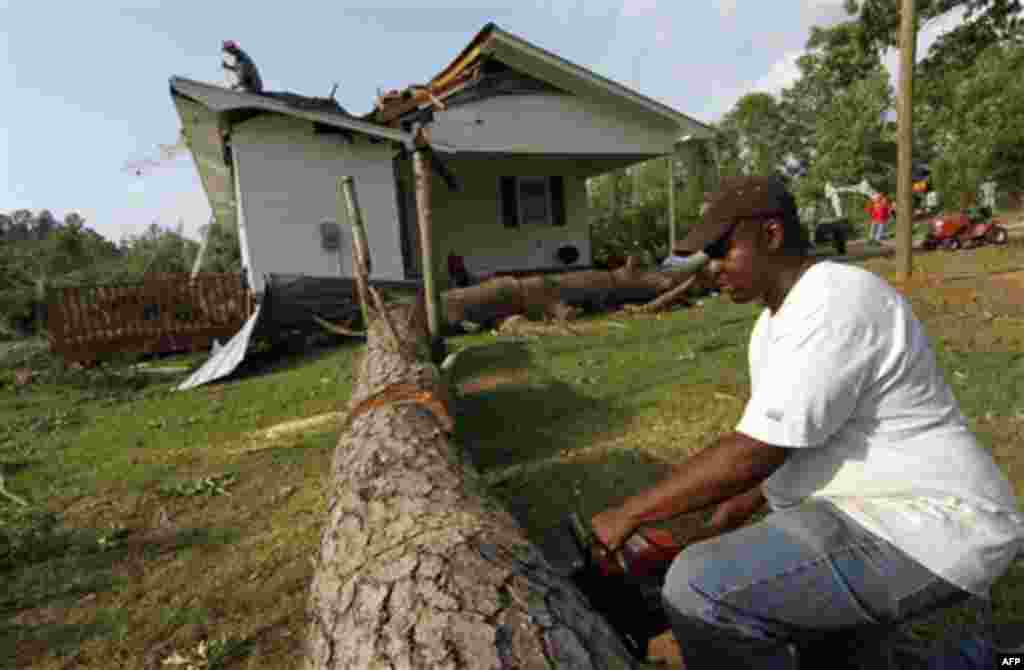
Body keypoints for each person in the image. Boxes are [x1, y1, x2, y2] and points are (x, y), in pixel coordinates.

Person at [591, 176, 1023, 669]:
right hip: (864, 515)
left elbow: (756, 452)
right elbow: (788, 440)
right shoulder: (772, 325)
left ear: (771, 235)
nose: (712, 269)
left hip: (929, 524)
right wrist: (722, 522)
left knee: (702, 586)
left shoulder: (835, 299)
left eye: (722, 251)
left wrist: (628, 515)